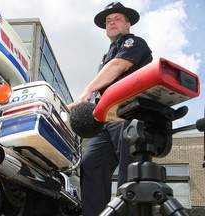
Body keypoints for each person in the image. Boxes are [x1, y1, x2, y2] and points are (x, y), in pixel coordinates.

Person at [67, 2, 153, 216]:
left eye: (117, 18)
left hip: (129, 115)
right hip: (106, 120)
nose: (112, 22)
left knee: (129, 172)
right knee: (90, 164)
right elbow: (105, 79)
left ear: (128, 24)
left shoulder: (134, 43)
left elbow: (118, 66)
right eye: (108, 21)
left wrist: (86, 92)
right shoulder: (105, 59)